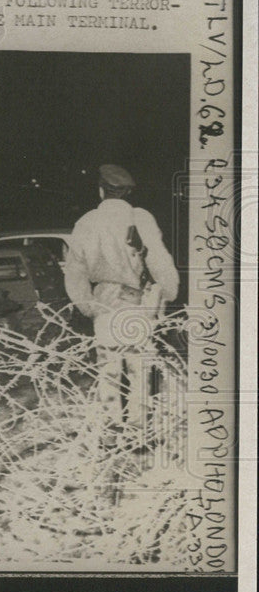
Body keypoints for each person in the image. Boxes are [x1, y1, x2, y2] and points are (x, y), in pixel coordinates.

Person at [64, 164, 179, 445]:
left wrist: (86, 305)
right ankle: (140, 431)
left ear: (101, 190)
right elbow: (159, 259)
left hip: (103, 301)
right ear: (128, 193)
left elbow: (75, 271)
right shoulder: (140, 218)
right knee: (140, 368)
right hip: (137, 301)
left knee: (109, 369)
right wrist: (169, 291)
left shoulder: (86, 222)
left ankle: (111, 432)